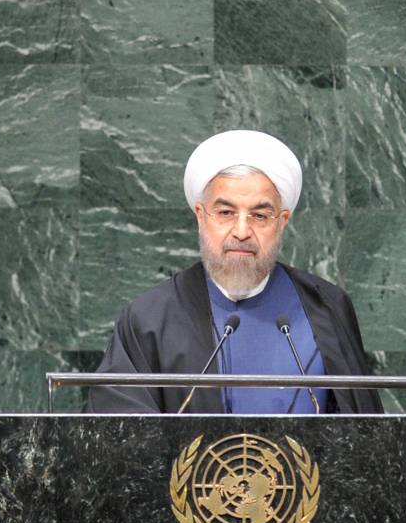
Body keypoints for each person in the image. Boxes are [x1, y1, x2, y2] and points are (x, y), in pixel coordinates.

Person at [87, 130, 382, 414]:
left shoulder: (327, 308)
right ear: (201, 217)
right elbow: (119, 439)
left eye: (259, 215)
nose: (242, 231)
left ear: (282, 222)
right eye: (226, 213)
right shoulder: (148, 318)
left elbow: (366, 438)